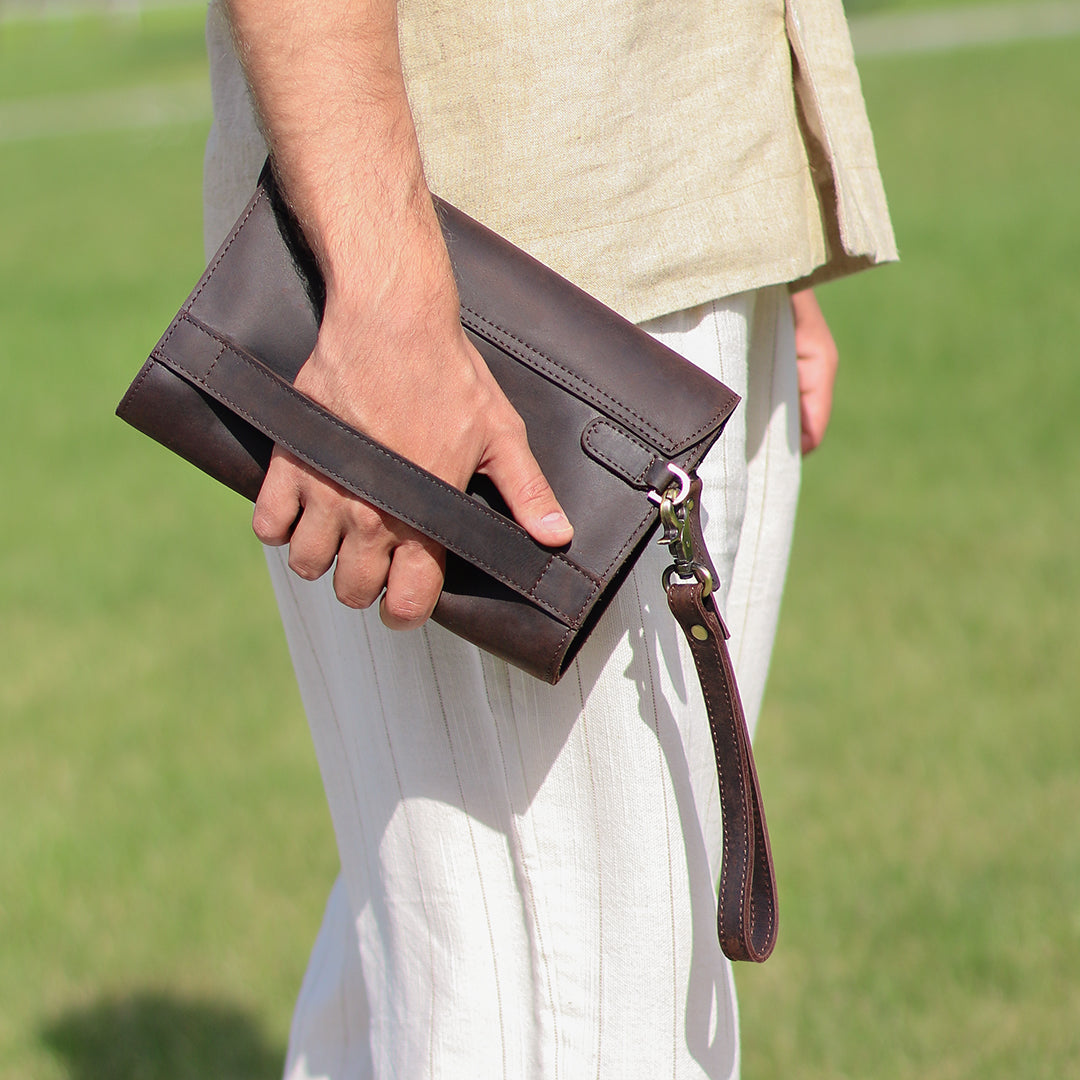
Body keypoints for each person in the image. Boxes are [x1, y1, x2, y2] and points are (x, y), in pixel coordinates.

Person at [203, 0, 896, 1076]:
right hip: (495, 296)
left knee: (446, 949)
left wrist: (758, 220)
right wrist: (385, 299)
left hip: (667, 240)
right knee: (565, 1006)